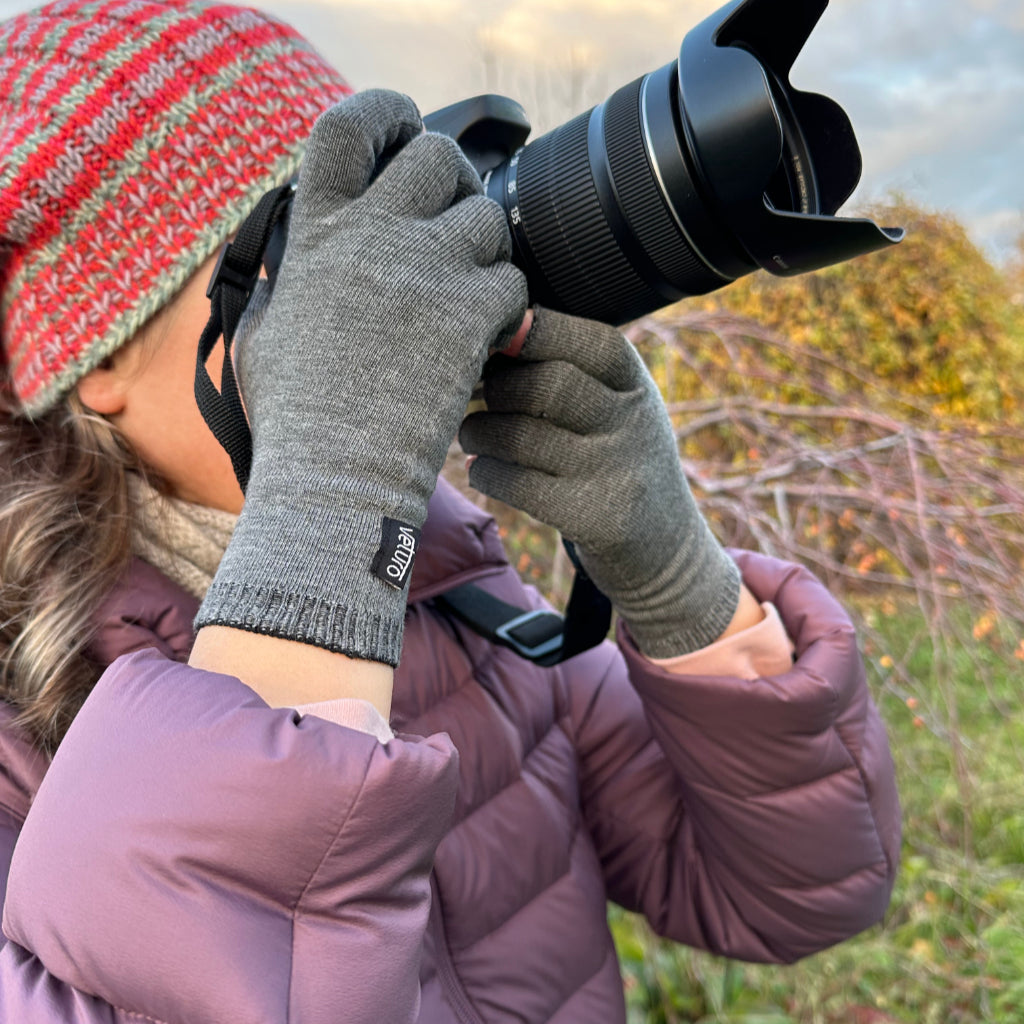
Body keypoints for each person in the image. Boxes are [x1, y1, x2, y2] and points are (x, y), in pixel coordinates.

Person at [0, 1, 900, 1021]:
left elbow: (787, 895)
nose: (389, 300)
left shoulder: (450, 588)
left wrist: (673, 578)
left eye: (393, 236)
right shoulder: (23, 717)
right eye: (319, 258)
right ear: (98, 356)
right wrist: (329, 527)